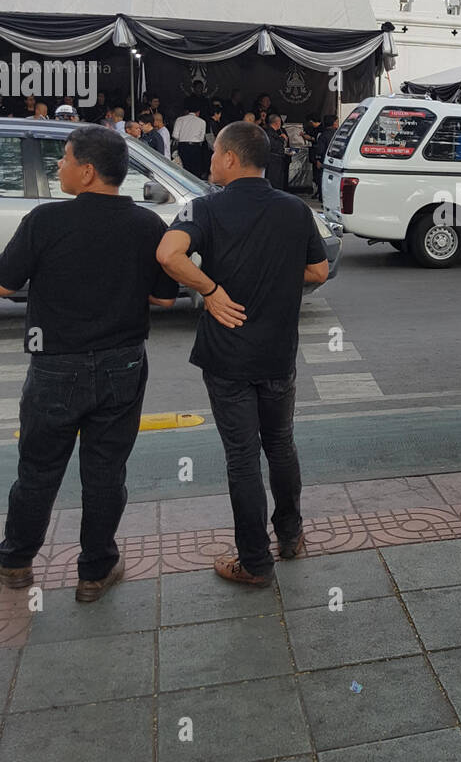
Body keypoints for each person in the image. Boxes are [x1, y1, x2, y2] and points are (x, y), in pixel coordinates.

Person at [0, 128, 177, 600]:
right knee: (105, 473)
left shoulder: (45, 221)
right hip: (122, 365)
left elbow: (4, 284)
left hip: (54, 366)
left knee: (38, 470)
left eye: (65, 160)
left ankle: (16, 562)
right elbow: (163, 298)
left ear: (87, 170)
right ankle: (95, 572)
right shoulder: (147, 226)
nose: (59, 166)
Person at [156, 123, 330, 585]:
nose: (210, 161)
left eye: (215, 153)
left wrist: (211, 291)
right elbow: (318, 270)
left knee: (242, 458)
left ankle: (254, 562)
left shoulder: (205, 208)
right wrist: (275, 285)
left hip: (227, 356)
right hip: (278, 354)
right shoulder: (295, 209)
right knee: (280, 445)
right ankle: (290, 536)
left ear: (231, 158)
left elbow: (169, 254)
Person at [172, 102, 208, 178]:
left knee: (183, 169)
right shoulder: (202, 122)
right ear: (198, 112)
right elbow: (202, 138)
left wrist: (183, 138)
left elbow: (174, 135)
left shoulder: (179, 119)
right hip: (195, 148)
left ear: (187, 111)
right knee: (195, 171)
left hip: (182, 147)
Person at [264, 114, 291, 191]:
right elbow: (274, 146)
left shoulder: (276, 132)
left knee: (278, 180)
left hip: (278, 160)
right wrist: (282, 139)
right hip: (273, 160)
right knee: (274, 181)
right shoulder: (269, 132)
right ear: (277, 123)